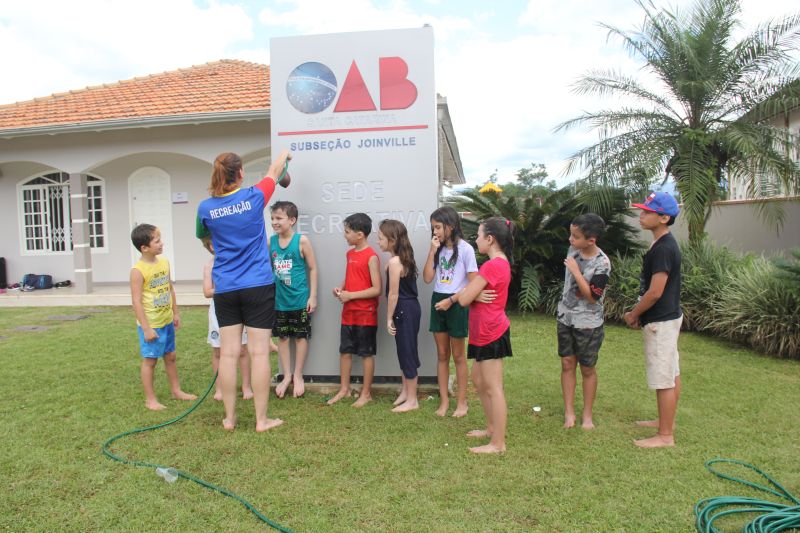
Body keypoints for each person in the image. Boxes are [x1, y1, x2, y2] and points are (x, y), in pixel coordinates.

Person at [196, 149, 291, 432]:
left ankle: (229, 418)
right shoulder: (254, 196)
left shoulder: (205, 208)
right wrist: (286, 154)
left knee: (228, 354)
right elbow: (275, 170)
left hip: (225, 286)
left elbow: (204, 238)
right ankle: (261, 420)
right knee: (259, 353)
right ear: (240, 173)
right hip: (257, 284)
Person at [624, 192, 683, 448]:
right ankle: (665, 421)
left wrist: (634, 313)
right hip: (667, 317)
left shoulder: (664, 248)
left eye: (648, 212)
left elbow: (655, 291)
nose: (642, 215)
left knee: (663, 377)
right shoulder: (661, 244)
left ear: (664, 218)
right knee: (671, 371)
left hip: (661, 321)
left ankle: (665, 435)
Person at [456, 217, 514, 454]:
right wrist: (473, 294)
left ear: (490, 239)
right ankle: (491, 428)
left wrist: (470, 293)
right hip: (483, 331)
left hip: (491, 331)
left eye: (479, 236)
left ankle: (498, 443)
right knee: (479, 380)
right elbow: (469, 294)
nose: (476, 240)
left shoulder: (493, 265)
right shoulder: (498, 264)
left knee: (493, 386)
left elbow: (462, 299)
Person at [129, 224, 196, 410]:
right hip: (151, 325)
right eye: (157, 241)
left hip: (166, 321)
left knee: (170, 356)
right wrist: (146, 329)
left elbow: (169, 289)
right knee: (150, 361)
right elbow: (136, 302)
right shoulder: (138, 271)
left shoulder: (164, 262)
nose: (161, 243)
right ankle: (150, 400)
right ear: (144, 248)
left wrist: (175, 313)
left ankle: (176, 391)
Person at [557, 213, 611, 430]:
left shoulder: (602, 263)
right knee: (567, 363)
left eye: (576, 236)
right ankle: (569, 413)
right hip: (565, 318)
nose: (571, 240)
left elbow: (593, 297)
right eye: (571, 234)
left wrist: (576, 272)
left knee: (587, 368)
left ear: (591, 240)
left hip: (588, 323)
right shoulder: (573, 250)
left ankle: (587, 415)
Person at [423, 206, 478, 417]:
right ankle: (444, 400)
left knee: (458, 356)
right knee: (442, 354)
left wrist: (452, 300)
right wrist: (432, 251)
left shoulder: (466, 249)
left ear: (451, 226)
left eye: (438, 227)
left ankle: (462, 402)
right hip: (438, 300)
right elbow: (427, 278)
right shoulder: (437, 249)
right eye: (433, 228)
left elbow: (474, 284)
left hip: (457, 302)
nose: (435, 231)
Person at [328, 212, 382, 407]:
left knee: (366, 353)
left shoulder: (372, 257)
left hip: (366, 314)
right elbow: (351, 276)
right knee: (345, 351)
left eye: (347, 231)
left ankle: (366, 393)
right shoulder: (349, 254)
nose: (344, 235)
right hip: (348, 313)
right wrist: (341, 288)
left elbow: (377, 289)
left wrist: (350, 295)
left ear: (360, 235)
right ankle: (344, 389)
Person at [269, 200, 318, 399]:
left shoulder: (301, 241)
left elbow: (313, 268)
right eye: (272, 218)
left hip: (299, 299)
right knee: (282, 337)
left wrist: (312, 296)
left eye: (279, 218)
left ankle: (298, 375)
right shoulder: (271, 242)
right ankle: (286, 375)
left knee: (300, 337)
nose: (274, 222)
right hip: (279, 301)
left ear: (292, 220)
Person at [378, 219, 422, 413]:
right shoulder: (400, 259)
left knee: (407, 352)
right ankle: (406, 392)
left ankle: (412, 400)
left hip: (404, 309)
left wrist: (388, 318)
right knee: (404, 350)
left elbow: (393, 294)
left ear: (393, 240)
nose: (378, 241)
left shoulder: (395, 262)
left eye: (381, 238)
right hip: (409, 308)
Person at [202, 239, 253, 401]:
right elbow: (207, 291)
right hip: (218, 312)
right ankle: (220, 388)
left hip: (238, 309)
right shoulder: (209, 266)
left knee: (242, 349)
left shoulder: (236, 261)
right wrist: (226, 286)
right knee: (218, 351)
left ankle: (246, 386)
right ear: (212, 246)